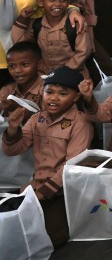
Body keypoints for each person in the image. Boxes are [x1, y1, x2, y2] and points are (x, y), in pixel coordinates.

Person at [1, 66, 92, 248]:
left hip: (61, 191)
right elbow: (12, 150)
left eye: (62, 93)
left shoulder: (80, 122)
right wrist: (13, 128)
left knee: (50, 239)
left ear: (76, 96)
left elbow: (71, 166)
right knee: (14, 234)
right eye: (49, 92)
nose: (53, 98)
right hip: (34, 187)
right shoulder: (37, 119)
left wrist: (43, 193)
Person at [12, 0, 90, 75]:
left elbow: (84, 51)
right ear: (41, 2)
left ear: (68, 2)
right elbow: (19, 43)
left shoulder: (75, 23)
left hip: (74, 76)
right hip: (45, 76)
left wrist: (64, 71)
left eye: (63, 0)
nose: (58, 4)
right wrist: (22, 19)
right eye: (52, 0)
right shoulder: (37, 25)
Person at [1, 41, 43, 113]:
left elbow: (49, 119)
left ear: (39, 64)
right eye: (12, 66)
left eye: (24, 64)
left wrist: (17, 109)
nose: (17, 70)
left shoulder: (47, 89)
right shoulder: (7, 90)